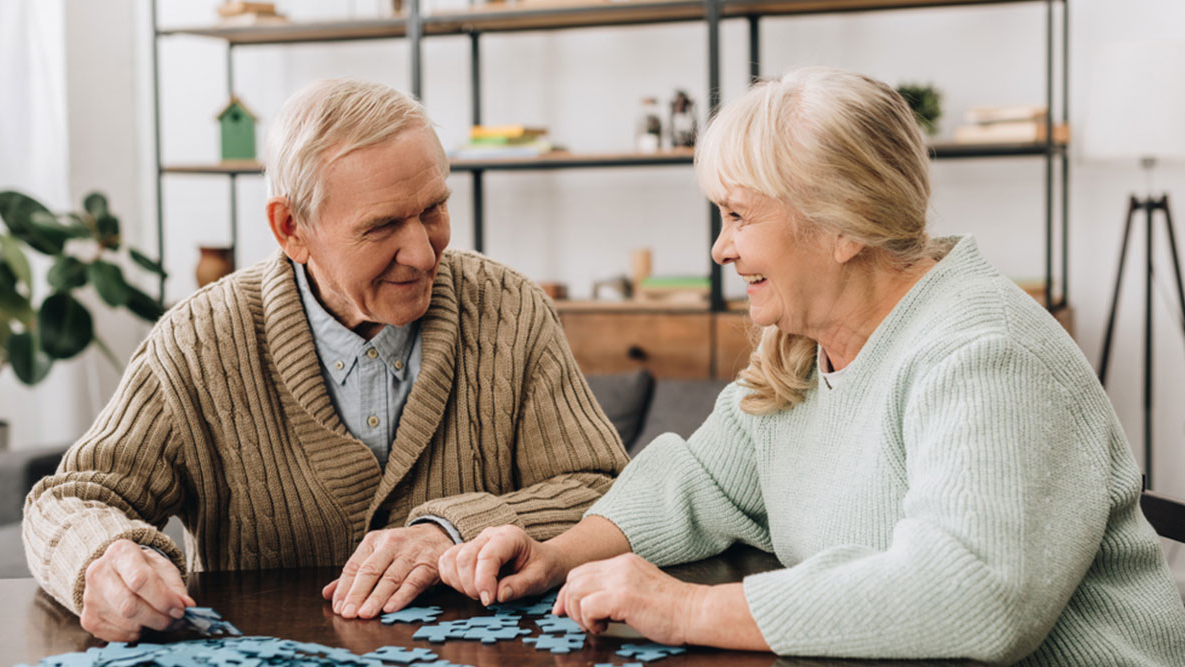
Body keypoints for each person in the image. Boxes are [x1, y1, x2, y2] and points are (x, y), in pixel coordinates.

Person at [437, 67, 1185, 664]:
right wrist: (554, 554)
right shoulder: (803, 345)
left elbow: (972, 596)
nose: (719, 249)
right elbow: (700, 482)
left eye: (738, 215)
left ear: (842, 223)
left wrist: (687, 607)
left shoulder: (987, 355)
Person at [22, 78, 628, 642]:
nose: (422, 253)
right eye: (383, 226)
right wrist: (104, 557)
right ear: (292, 229)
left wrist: (448, 532)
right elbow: (71, 500)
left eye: (433, 210)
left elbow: (607, 492)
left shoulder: (510, 310)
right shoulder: (197, 341)